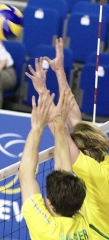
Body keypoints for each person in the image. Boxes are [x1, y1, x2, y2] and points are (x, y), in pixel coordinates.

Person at [27, 37, 109, 239]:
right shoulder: (103, 160)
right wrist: (60, 72)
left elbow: (60, 131)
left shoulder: (93, 172)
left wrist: (42, 90)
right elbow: (73, 120)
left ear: (86, 153)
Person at [19, 89, 90, 239]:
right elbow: (64, 172)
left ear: (49, 203)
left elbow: (26, 175)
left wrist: (37, 127)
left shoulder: (46, 229)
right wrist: (59, 128)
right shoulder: (83, 220)